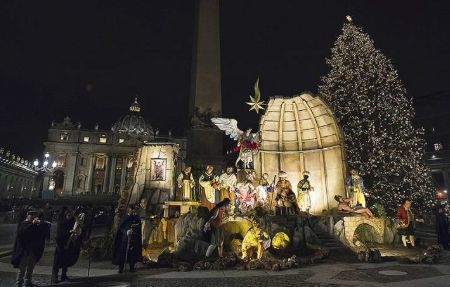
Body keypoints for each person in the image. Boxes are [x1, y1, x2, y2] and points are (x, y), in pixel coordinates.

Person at [113, 205, 142, 273]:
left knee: (132, 253)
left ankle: (132, 266)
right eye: (132, 209)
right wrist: (126, 231)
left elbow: (138, 226)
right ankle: (121, 267)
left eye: (133, 209)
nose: (133, 211)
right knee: (122, 253)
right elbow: (121, 228)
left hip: (133, 239)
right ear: (129, 209)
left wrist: (134, 231)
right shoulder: (124, 217)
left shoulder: (136, 217)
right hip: (125, 239)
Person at [12, 210, 37, 287]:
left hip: (32, 249)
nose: (32, 217)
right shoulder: (23, 224)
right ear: (27, 215)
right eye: (31, 215)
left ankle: (28, 282)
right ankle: (19, 283)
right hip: (25, 250)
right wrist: (33, 224)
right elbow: (24, 233)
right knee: (22, 269)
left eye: (34, 215)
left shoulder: (31, 224)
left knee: (30, 268)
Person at [52, 207, 77, 283]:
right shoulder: (62, 222)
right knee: (57, 260)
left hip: (69, 243)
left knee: (66, 260)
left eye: (71, 215)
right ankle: (55, 275)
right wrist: (69, 231)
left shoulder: (72, 222)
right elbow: (60, 232)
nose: (70, 217)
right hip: (61, 244)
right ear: (65, 215)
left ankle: (64, 275)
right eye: (69, 216)